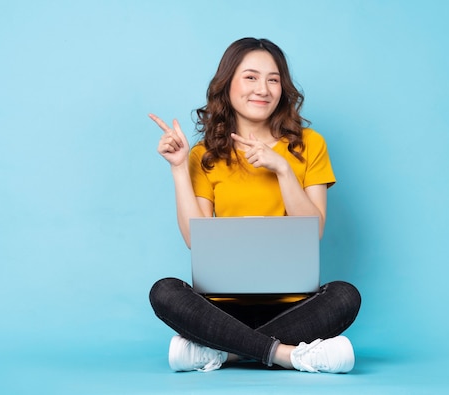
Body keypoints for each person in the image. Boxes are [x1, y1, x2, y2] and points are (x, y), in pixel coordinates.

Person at [148, 37, 361, 373]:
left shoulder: (310, 145)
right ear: (227, 85)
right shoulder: (203, 154)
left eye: (273, 79)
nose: (263, 88)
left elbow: (313, 231)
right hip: (222, 307)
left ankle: (223, 352)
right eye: (250, 77)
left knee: (345, 296)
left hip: (292, 306)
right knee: (165, 292)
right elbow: (194, 238)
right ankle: (288, 355)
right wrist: (178, 167)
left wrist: (282, 169)